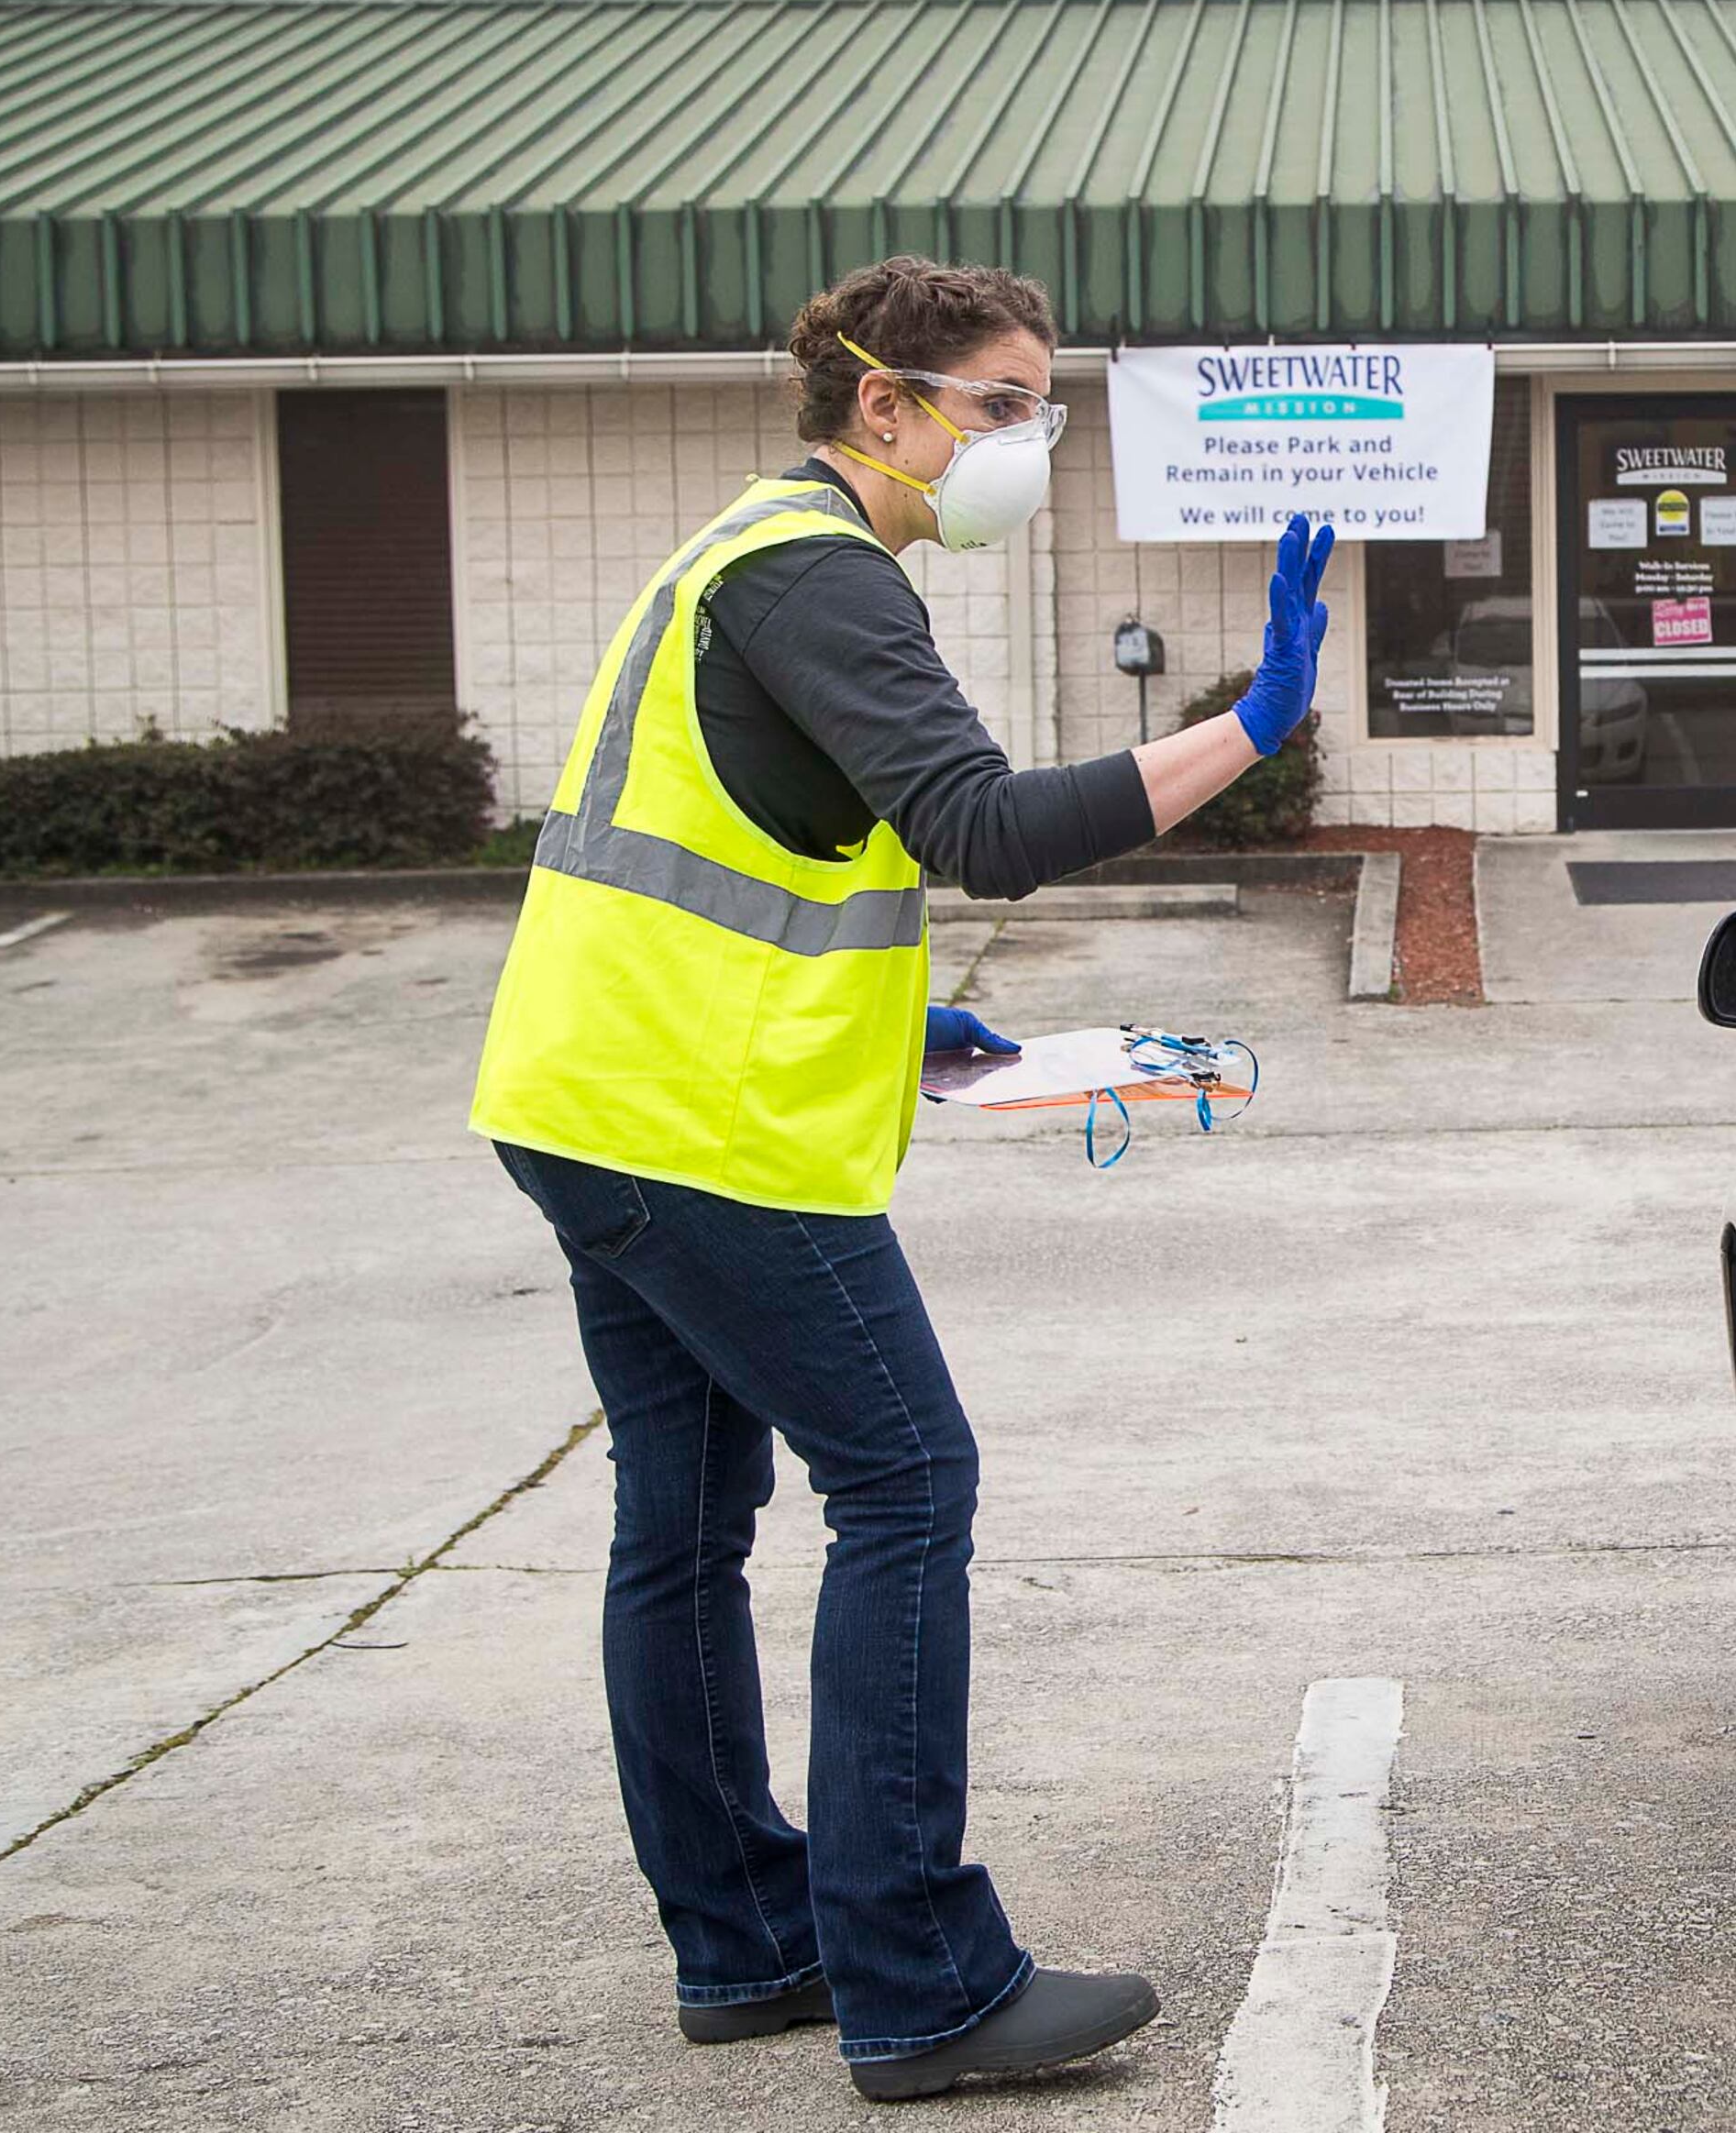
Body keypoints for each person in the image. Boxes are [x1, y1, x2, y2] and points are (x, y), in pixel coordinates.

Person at [468, 255, 1333, 2103]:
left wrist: (907, 1020)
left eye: (1043, 407)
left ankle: (751, 1941)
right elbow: (984, 826)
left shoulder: (744, 554)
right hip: (698, 1124)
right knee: (907, 1475)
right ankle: (919, 1975)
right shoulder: (818, 572)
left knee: (686, 1516)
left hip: (599, 1093)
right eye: (1002, 405)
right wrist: (1249, 726)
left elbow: (755, 840)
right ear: (885, 405)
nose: (1028, 440)